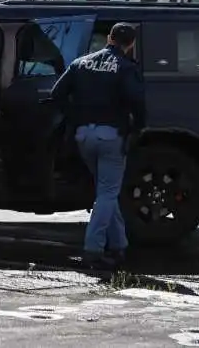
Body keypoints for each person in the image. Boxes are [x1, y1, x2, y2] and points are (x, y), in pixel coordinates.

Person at [49, 23, 146, 270]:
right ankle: (93, 249)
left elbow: (56, 93)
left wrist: (74, 116)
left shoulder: (81, 63)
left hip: (83, 136)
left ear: (109, 38)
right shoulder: (126, 68)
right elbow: (137, 103)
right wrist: (137, 129)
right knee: (107, 193)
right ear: (131, 44)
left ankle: (119, 245)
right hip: (112, 137)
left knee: (105, 192)